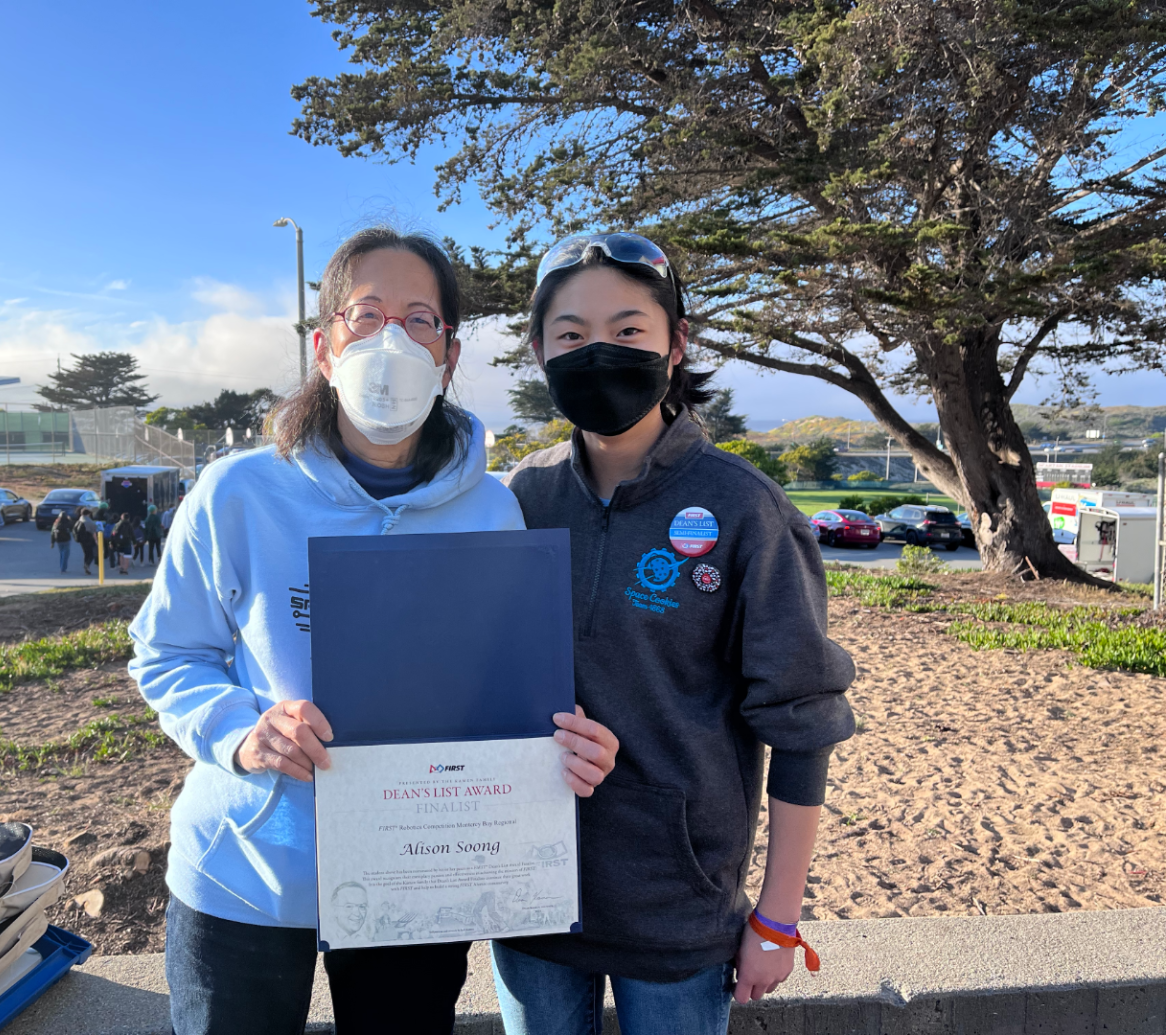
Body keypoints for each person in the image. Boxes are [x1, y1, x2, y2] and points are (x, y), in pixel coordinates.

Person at [128, 227, 618, 1035]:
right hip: (247, 873)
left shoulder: (492, 510)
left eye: (421, 319)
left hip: (416, 871)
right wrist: (241, 732)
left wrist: (558, 746)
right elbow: (168, 651)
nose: (393, 339)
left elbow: (501, 684)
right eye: (366, 314)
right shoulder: (235, 492)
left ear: (449, 355)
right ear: (324, 347)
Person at [494, 233, 856, 1035]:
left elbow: (802, 723)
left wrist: (777, 917)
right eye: (571, 334)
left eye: (628, 330)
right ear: (539, 352)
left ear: (676, 342)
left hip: (678, 911)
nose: (599, 353)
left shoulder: (745, 508)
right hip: (526, 896)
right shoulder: (516, 498)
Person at [74, 507, 99, 575]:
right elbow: (93, 533)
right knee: (92, 554)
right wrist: (96, 540)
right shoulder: (89, 522)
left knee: (86, 553)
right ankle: (87, 565)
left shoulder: (80, 520)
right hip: (89, 539)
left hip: (82, 540)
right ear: (88, 514)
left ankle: (86, 565)